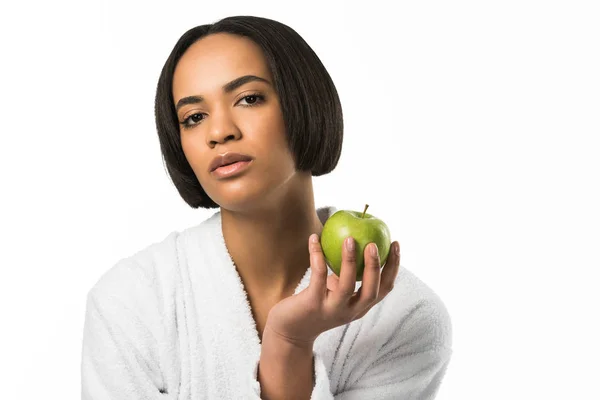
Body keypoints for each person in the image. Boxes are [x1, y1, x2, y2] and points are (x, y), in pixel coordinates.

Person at [81, 15, 453, 400]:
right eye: (194, 117)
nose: (219, 131)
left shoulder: (405, 318)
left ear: (304, 104)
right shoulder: (129, 304)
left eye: (249, 98)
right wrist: (286, 341)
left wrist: (288, 344)